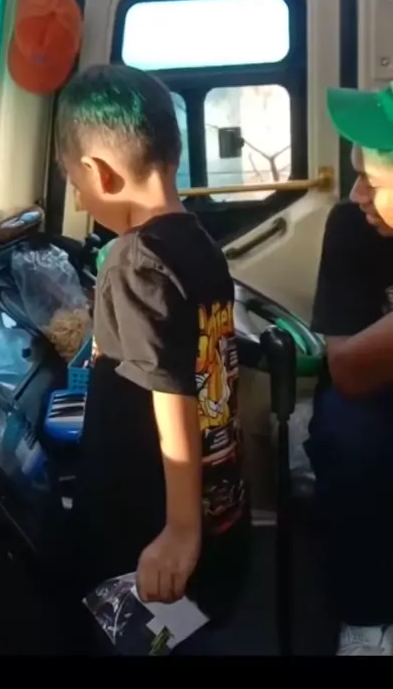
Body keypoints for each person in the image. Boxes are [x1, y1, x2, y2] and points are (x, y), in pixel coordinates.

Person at [56, 64, 250, 629]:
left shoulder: (132, 260)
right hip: (215, 507)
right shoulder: (198, 243)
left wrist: (180, 529)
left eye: (74, 182)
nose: (78, 197)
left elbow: (172, 394)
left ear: (99, 173)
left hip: (143, 519)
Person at [307, 82, 393, 656]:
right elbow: (347, 367)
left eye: (374, 182)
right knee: (347, 435)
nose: (358, 193)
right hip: (371, 389)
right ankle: (366, 616)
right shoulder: (349, 228)